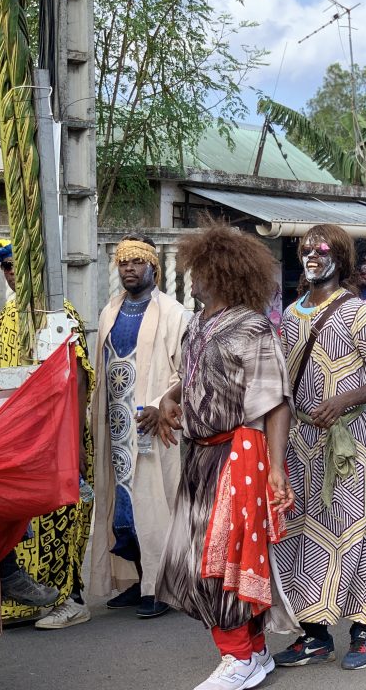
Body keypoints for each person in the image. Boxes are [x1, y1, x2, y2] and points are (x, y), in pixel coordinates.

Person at [155, 224, 297, 690]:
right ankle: (254, 653)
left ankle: (238, 658)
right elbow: (190, 374)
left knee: (221, 563)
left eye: (199, 270)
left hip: (239, 456)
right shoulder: (198, 323)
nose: (192, 278)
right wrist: (170, 399)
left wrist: (276, 470)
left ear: (220, 272)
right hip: (200, 458)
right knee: (207, 561)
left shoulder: (253, 326)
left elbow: (275, 400)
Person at [273, 224, 366, 672]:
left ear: (339, 258)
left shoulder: (357, 313)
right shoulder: (290, 315)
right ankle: (315, 635)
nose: (310, 254)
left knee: (353, 533)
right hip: (300, 441)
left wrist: (343, 399)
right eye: (304, 248)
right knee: (303, 536)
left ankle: (364, 631)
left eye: (320, 248)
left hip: (348, 442)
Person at [0, 240, 97, 627]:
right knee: (28, 523)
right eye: (6, 268)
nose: (12, 274)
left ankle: (73, 600)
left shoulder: (58, 313)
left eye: (19, 266)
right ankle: (36, 600)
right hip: (20, 439)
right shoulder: (6, 316)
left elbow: (80, 377)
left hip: (59, 434)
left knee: (63, 517)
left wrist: (72, 436)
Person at [90, 233, 189, 618]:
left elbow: (190, 371)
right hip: (115, 427)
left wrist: (161, 403)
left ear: (153, 267)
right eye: (123, 263)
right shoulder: (109, 310)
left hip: (153, 426)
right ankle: (134, 581)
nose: (129, 269)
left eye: (137, 263)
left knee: (154, 507)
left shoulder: (175, 313)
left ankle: (160, 587)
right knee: (120, 509)